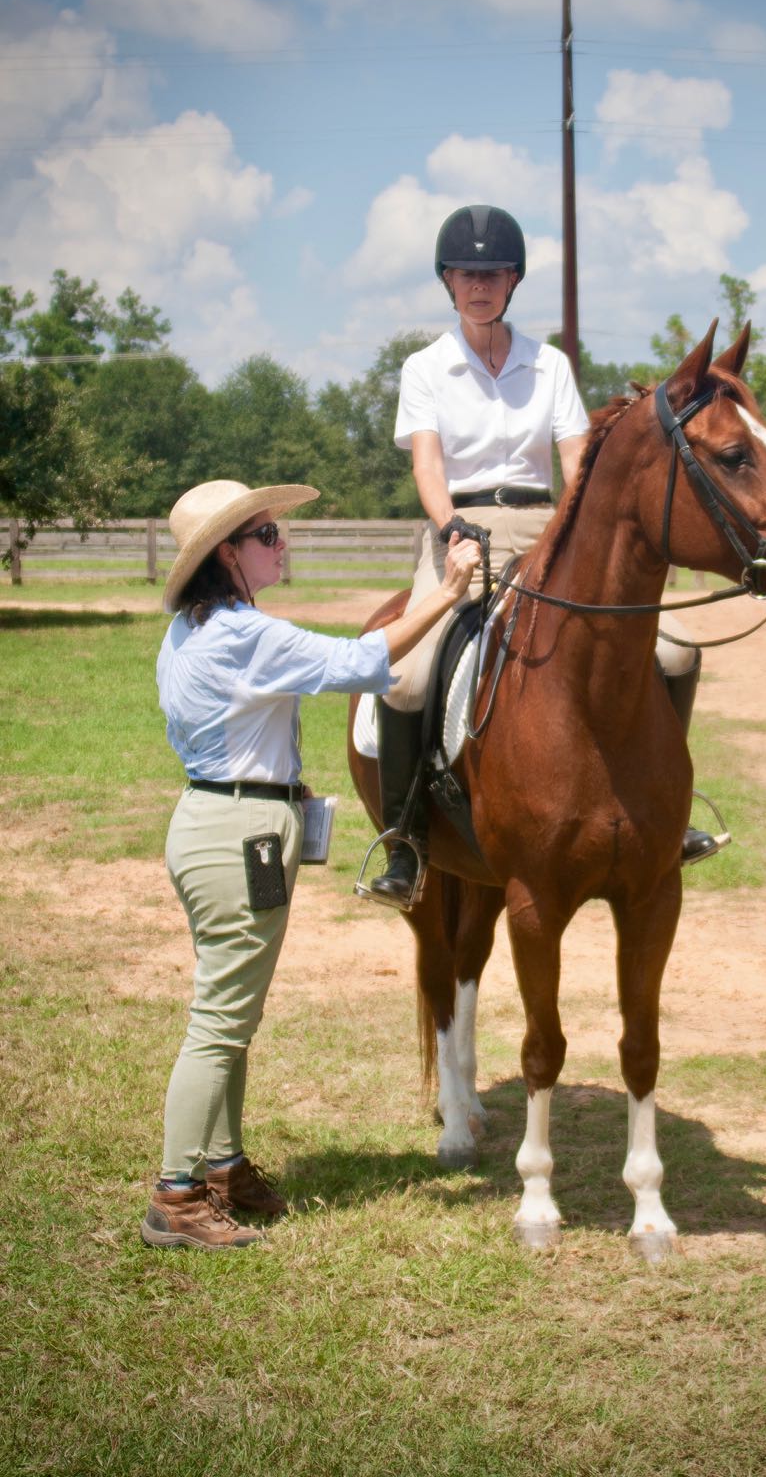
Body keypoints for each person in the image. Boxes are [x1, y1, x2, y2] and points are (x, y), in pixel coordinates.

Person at [142, 478, 480, 1250]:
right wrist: (451, 590)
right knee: (222, 1020)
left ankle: (222, 1167)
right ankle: (176, 1193)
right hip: (242, 833)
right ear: (227, 556)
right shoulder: (243, 635)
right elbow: (366, 658)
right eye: (264, 535)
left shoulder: (193, 630)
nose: (279, 542)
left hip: (208, 820)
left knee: (229, 1013)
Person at [365, 203, 717, 910]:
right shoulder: (426, 367)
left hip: (544, 524)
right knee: (403, 678)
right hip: (458, 526)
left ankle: (665, 815)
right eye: (466, 273)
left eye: (492, 272)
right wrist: (450, 527)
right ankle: (406, 840)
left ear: (514, 279)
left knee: (675, 650)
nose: (479, 285)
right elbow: (428, 467)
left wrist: (581, 532)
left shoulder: (547, 363)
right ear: (446, 281)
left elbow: (576, 460)